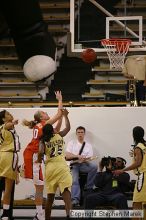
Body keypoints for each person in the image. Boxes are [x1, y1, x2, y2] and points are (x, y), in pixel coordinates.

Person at [22, 91, 63, 220]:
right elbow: (59, 113)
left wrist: (61, 118)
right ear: (41, 117)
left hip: (33, 156)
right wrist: (60, 100)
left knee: (39, 188)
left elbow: (57, 131)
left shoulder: (42, 125)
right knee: (39, 188)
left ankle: (39, 215)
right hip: (34, 156)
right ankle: (39, 215)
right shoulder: (44, 124)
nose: (46, 113)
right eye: (44, 112)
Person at [37, 109, 72, 220]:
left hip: (50, 168)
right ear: (52, 130)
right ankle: (68, 215)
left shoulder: (43, 141)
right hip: (61, 166)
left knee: (50, 197)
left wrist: (39, 159)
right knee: (66, 193)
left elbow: (40, 153)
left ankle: (47, 218)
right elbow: (68, 128)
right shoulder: (59, 135)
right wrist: (65, 116)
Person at [114, 126, 146, 220]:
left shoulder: (138, 147)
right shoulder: (144, 145)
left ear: (134, 135)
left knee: (136, 202)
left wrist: (122, 170)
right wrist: (135, 155)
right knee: (144, 203)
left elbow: (138, 163)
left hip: (143, 176)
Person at [65, 126, 97, 207]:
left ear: (84, 134)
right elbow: (67, 156)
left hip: (83, 164)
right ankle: (75, 199)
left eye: (82, 132)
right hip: (73, 165)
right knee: (75, 180)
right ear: (76, 133)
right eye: (78, 132)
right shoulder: (71, 143)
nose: (80, 134)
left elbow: (89, 158)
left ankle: (89, 187)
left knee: (94, 166)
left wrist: (84, 160)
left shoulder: (88, 145)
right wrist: (77, 157)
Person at [0, 110, 20, 220]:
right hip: (9, 156)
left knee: (3, 187)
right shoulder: (6, 126)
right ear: (3, 119)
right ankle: (6, 214)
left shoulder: (3, 128)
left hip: (2, 155)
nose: (10, 114)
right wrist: (13, 122)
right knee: (8, 188)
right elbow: (7, 125)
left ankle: (6, 214)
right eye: (7, 114)